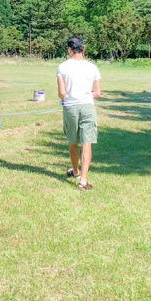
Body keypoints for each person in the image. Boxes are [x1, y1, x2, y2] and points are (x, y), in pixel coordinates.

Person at [57, 35, 102, 191]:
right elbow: (97, 92)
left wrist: (66, 98)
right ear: (84, 49)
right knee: (87, 143)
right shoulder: (93, 67)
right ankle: (83, 180)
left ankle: (75, 171)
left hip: (70, 107)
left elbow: (62, 93)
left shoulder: (62, 67)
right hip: (87, 106)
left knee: (73, 142)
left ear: (69, 50)